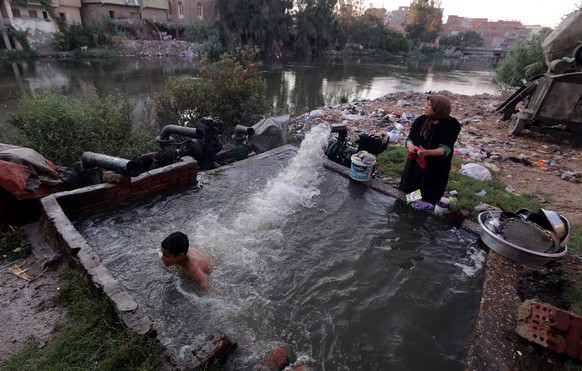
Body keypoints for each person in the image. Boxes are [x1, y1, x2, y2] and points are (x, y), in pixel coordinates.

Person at [398, 95, 461, 205]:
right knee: (410, 185)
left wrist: (427, 153)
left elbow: (445, 149)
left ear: (439, 108)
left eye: (429, 105)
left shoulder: (451, 125)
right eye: (426, 104)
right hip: (415, 162)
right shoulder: (421, 120)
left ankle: (421, 212)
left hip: (435, 166)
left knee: (427, 191)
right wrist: (410, 146)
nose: (425, 107)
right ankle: (406, 206)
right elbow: (409, 138)